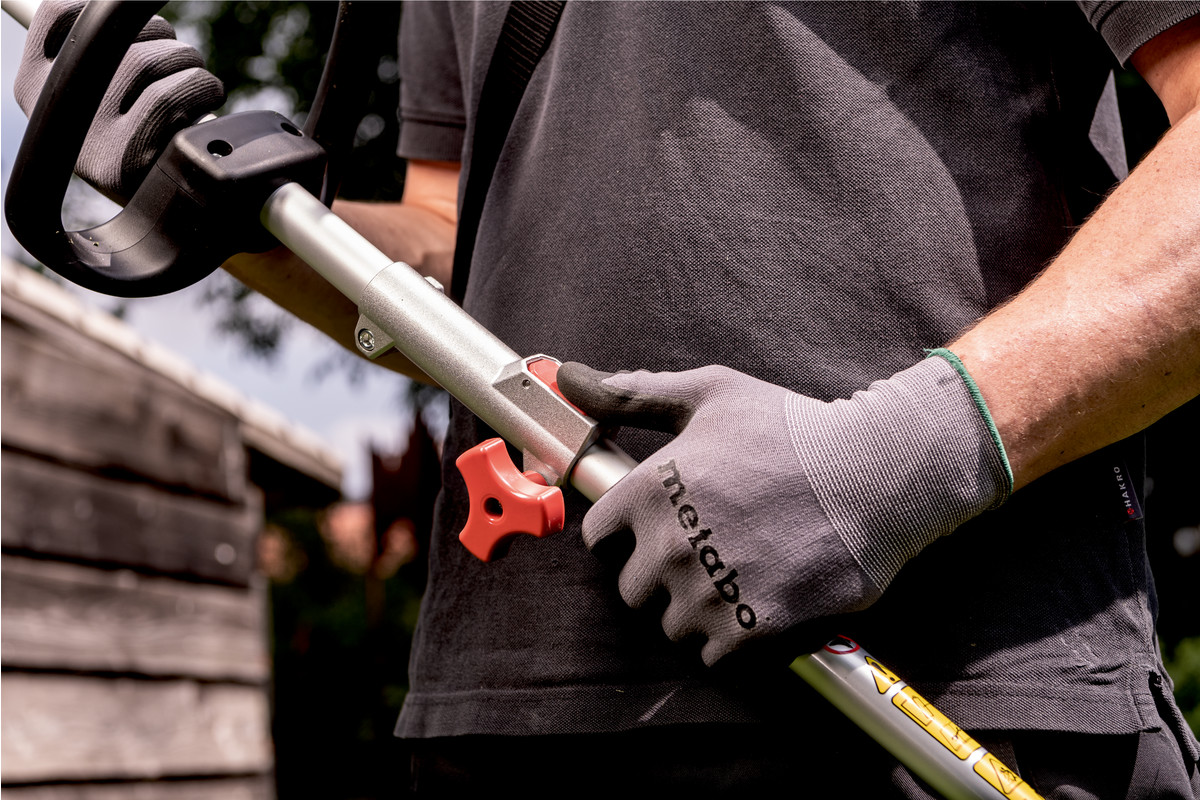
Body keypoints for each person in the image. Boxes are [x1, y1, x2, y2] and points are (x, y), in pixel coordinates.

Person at [15, 2, 1200, 796]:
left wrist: (891, 461)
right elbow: (457, 261)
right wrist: (210, 201)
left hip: (933, 703)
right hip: (511, 717)